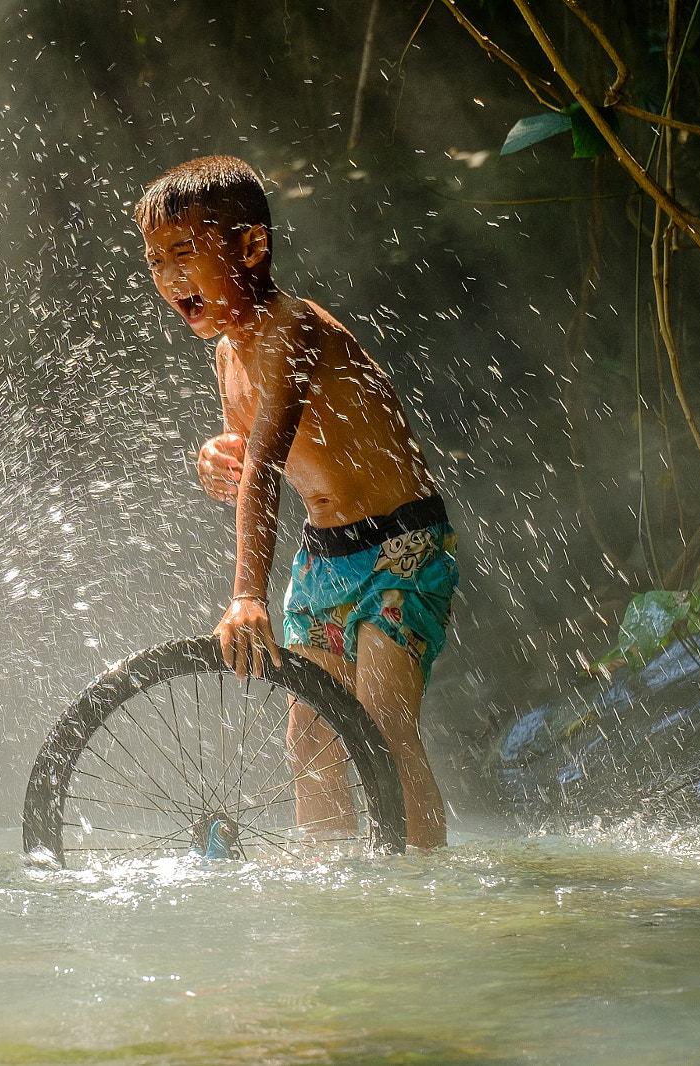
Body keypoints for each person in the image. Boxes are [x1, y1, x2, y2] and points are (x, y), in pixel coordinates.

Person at [135, 155, 458, 850]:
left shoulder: (292, 329)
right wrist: (213, 457)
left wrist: (247, 593)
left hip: (401, 548)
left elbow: (267, 466)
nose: (168, 277)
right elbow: (242, 456)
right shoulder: (226, 353)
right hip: (325, 558)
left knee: (382, 725)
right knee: (310, 736)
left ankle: (426, 885)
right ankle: (328, 881)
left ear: (251, 248)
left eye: (184, 254)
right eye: (156, 261)